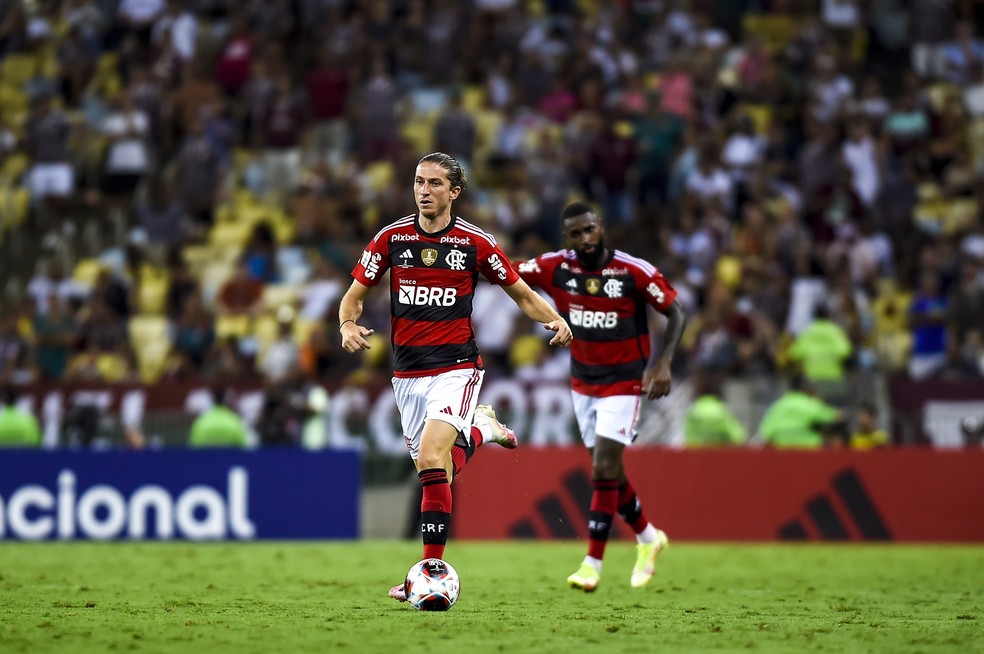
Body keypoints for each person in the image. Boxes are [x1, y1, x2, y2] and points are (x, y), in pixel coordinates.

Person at [339, 152, 572, 603]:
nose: (424, 190)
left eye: (434, 184)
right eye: (418, 182)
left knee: (430, 457)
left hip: (457, 368)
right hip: (407, 375)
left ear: (454, 192)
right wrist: (347, 325)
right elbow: (353, 298)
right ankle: (482, 430)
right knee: (437, 469)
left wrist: (555, 318)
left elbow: (520, 293)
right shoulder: (390, 239)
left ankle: (428, 571)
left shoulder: (474, 244)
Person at [516, 201, 686, 592]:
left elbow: (676, 312)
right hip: (583, 383)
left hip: (625, 381)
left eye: (590, 230)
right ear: (568, 239)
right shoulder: (555, 267)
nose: (585, 239)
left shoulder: (633, 270)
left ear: (601, 227)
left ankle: (592, 563)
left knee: (603, 467)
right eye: (576, 234)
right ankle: (648, 537)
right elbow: (508, 271)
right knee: (608, 472)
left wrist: (664, 364)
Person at [757, 375, 845, 449]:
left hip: (781, 449)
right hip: (807, 448)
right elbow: (835, 416)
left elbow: (765, 430)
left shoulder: (779, 404)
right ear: (806, 389)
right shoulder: (808, 402)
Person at [683, 373, 748, 447]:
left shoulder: (693, 411)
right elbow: (738, 437)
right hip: (719, 456)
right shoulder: (721, 411)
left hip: (697, 456)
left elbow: (689, 439)